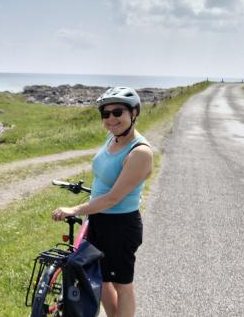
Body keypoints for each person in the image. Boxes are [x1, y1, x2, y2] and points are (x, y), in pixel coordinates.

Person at [52, 87, 153, 317]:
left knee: (122, 285)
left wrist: (74, 209)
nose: (111, 119)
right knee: (101, 278)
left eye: (118, 112)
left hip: (121, 226)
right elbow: (102, 176)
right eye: (105, 114)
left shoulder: (140, 152)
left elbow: (114, 197)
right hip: (99, 220)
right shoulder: (112, 138)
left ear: (134, 112)